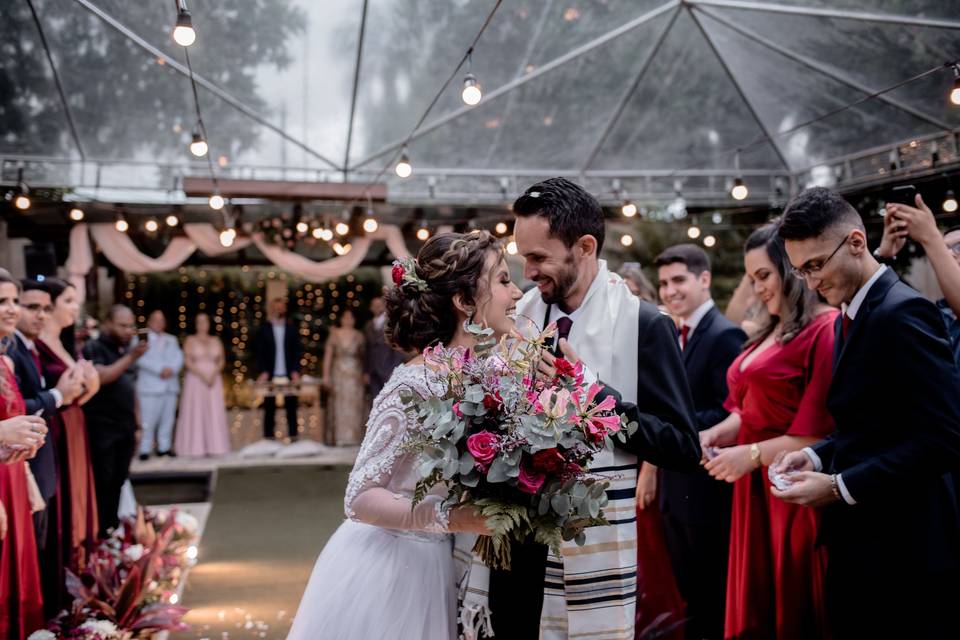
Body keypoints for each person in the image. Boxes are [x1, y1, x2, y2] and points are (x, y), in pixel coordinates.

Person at [286, 231, 518, 640]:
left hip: (435, 564)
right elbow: (359, 497)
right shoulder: (414, 384)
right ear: (464, 302)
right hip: (388, 569)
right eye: (502, 280)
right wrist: (451, 517)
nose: (516, 292)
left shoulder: (482, 375)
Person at [503, 177, 701, 639]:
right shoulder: (519, 319)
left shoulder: (645, 324)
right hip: (518, 547)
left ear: (585, 246)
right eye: (522, 257)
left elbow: (681, 446)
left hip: (594, 544)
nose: (527, 272)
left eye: (538, 257)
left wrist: (590, 393)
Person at [774, 187, 960, 638]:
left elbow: (942, 440)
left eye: (816, 265)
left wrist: (839, 487)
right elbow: (877, 424)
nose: (812, 283)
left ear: (856, 242)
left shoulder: (903, 312)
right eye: (801, 272)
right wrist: (817, 457)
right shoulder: (851, 312)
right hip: (865, 543)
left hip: (908, 553)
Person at [700, 224, 836, 639]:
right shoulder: (769, 330)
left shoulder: (824, 329)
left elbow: (818, 432)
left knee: (791, 597)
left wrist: (752, 455)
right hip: (751, 480)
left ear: (791, 270)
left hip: (791, 480)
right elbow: (748, 409)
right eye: (751, 278)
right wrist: (716, 433)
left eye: (764, 275)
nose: (757, 287)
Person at [654, 244, 746, 640]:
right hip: (676, 490)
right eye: (662, 283)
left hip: (707, 490)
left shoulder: (725, 335)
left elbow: (733, 413)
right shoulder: (676, 334)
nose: (669, 291)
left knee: (710, 598)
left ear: (703, 279)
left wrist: (671, 424)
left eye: (678, 280)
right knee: (690, 595)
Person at [36, 278, 101, 596]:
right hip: (59, 429)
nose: (75, 307)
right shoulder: (38, 345)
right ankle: (64, 579)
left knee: (79, 496)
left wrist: (92, 386)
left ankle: (82, 575)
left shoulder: (66, 343)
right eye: (69, 301)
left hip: (75, 422)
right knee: (64, 502)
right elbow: (55, 394)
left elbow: (74, 396)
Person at [0, 272, 47, 638]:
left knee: (21, 579)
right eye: (2, 302)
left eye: (14, 301)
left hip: (12, 477)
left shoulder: (5, 362)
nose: (11, 310)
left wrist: (24, 440)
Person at [82, 305, 148, 533]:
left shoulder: (126, 350)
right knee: (104, 481)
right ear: (107, 324)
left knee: (119, 480)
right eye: (123, 325)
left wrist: (139, 425)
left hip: (125, 426)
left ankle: (111, 529)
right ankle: (100, 531)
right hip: (102, 427)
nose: (129, 330)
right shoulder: (95, 347)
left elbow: (132, 390)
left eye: (131, 325)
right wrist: (131, 357)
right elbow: (103, 376)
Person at [875, 194, 960, 362]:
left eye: (959, 247)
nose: (949, 254)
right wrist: (883, 257)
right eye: (944, 248)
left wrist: (930, 237)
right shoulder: (936, 315)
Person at [175, 313, 230, 457]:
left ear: (208, 324)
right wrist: (202, 374)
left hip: (213, 380)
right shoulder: (190, 340)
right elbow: (187, 361)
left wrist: (213, 373)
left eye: (205, 321)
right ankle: (194, 446)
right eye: (199, 322)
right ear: (196, 324)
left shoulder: (216, 340)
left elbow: (222, 360)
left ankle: (215, 445)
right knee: (196, 410)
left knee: (213, 410)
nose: (202, 325)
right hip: (195, 379)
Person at [253, 296, 303, 440]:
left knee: (291, 406)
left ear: (284, 309)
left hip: (288, 374)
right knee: (269, 407)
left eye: (280, 307)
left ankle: (293, 437)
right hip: (270, 374)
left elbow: (297, 351)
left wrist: (295, 370)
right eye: (276, 307)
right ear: (271, 309)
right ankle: (269, 438)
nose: (278, 310)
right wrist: (262, 371)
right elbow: (260, 351)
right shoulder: (264, 329)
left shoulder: (291, 328)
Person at [136, 310, 183, 459]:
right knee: (147, 420)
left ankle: (164, 447)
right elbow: (138, 358)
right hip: (150, 386)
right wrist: (159, 370)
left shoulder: (172, 339)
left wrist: (172, 369)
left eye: (161, 320)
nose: (159, 323)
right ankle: (144, 449)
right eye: (155, 320)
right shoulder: (141, 337)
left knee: (167, 419)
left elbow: (179, 357)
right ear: (149, 322)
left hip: (169, 386)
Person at [322, 308, 366, 446]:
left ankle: (354, 438)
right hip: (338, 373)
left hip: (354, 374)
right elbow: (328, 356)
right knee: (339, 405)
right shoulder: (334, 334)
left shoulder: (359, 335)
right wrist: (326, 376)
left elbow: (364, 357)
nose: (348, 320)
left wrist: (365, 373)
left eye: (350, 317)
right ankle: (339, 438)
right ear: (341, 319)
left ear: (354, 320)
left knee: (354, 405)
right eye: (345, 317)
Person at [362, 295, 406, 400]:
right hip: (373, 370)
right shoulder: (368, 326)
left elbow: (397, 347)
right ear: (371, 308)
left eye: (379, 305)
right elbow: (367, 350)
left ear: (384, 306)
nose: (377, 307)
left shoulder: (391, 322)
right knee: (375, 400)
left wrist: (394, 368)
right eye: (374, 305)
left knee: (389, 399)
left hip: (388, 368)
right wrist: (366, 371)